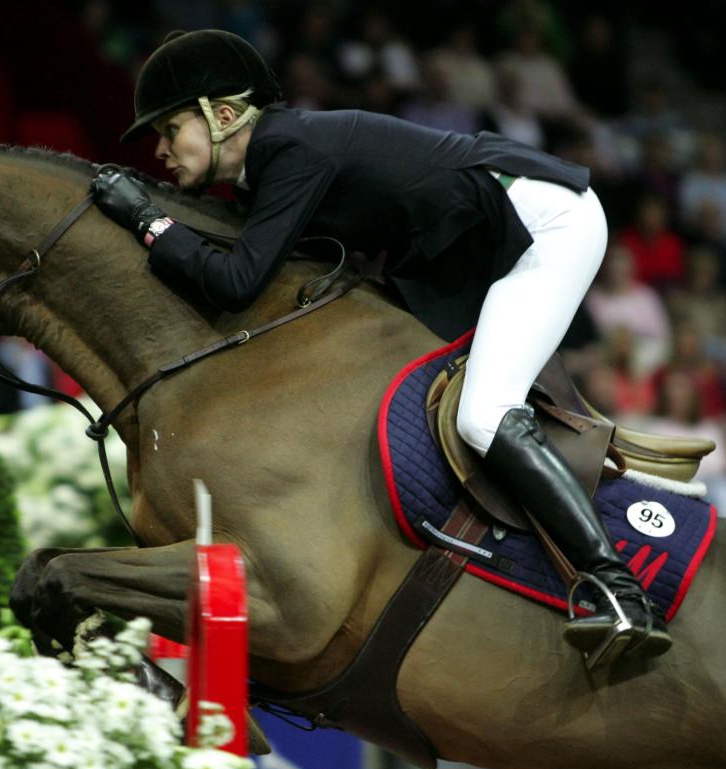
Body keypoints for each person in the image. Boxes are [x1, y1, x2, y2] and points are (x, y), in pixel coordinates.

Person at [90, 29, 670, 666]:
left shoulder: (288, 148)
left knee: (483, 414)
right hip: (466, 245)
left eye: (170, 131)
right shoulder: (266, 171)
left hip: (540, 223)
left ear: (223, 116)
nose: (162, 151)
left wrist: (147, 220)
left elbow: (234, 283)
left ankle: (619, 592)